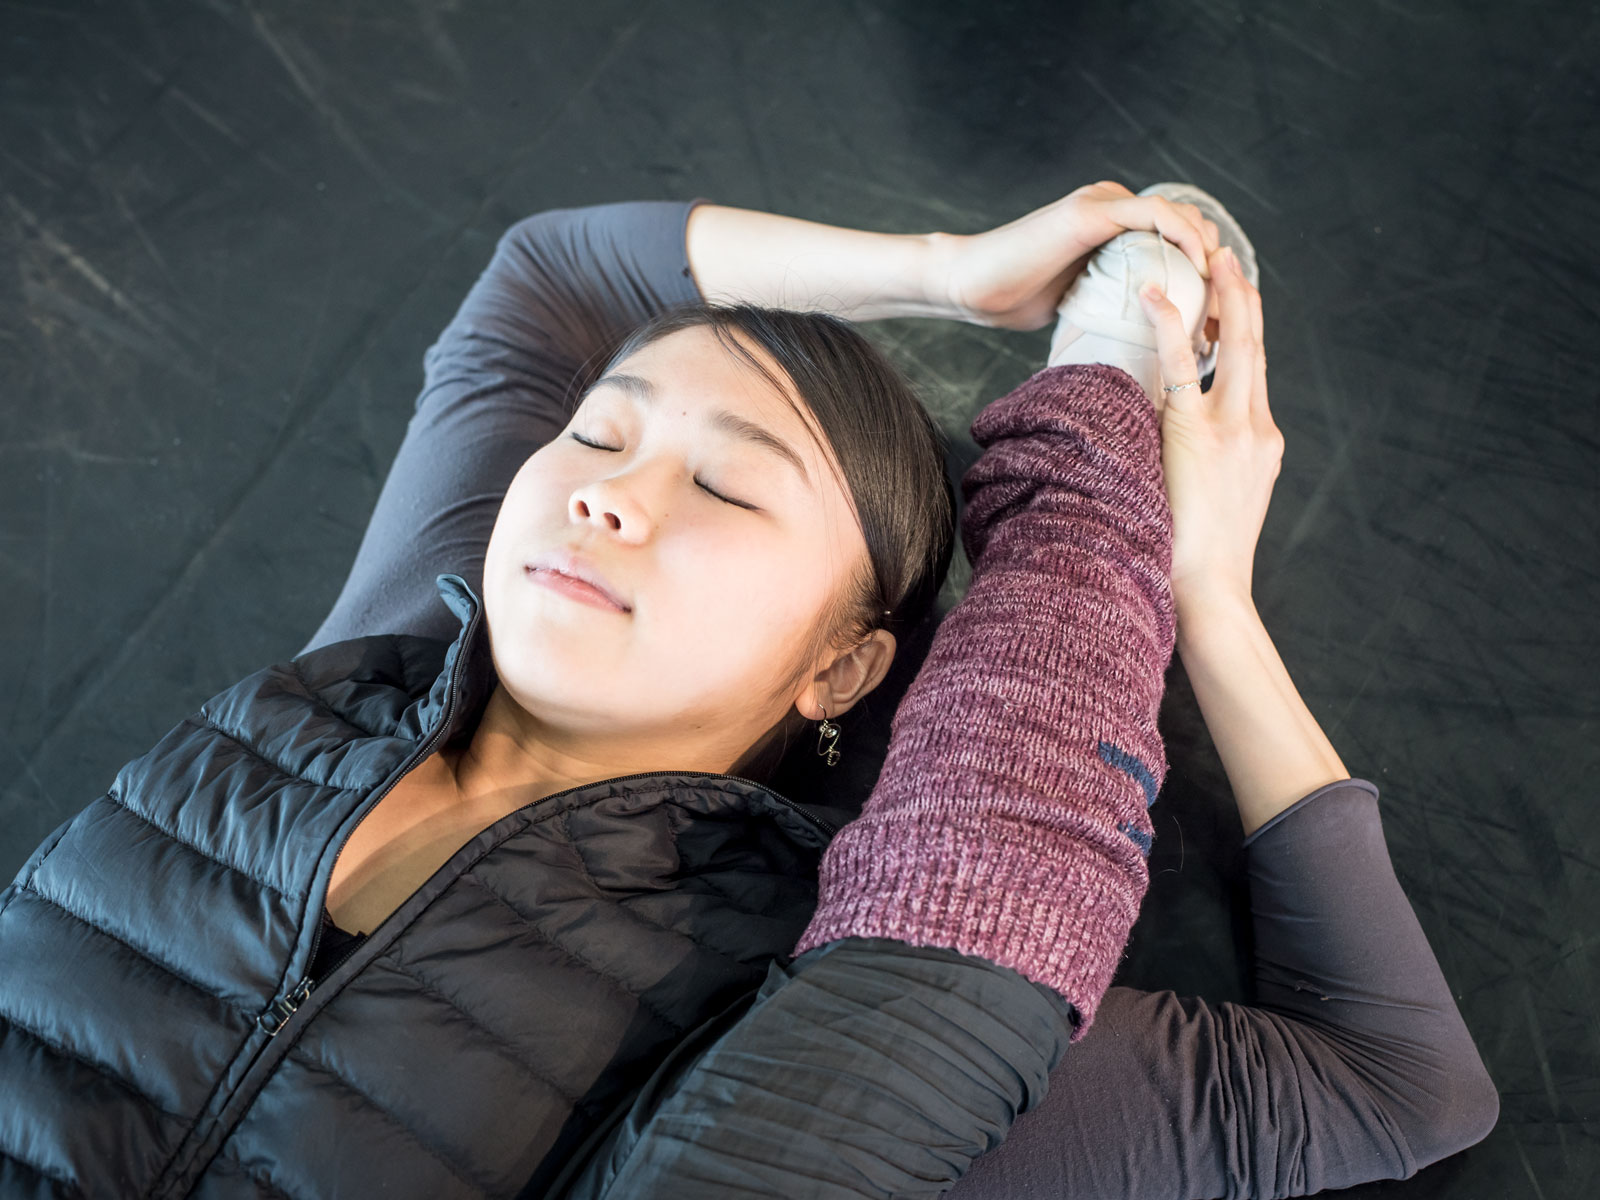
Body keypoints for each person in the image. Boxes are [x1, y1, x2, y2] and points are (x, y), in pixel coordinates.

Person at [0, 183, 1496, 1200]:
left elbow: (1398, 1081)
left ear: (843, 664)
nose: (604, 498)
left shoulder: (798, 979)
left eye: (724, 485)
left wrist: (1203, 604)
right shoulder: (381, 662)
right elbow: (554, 275)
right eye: (598, 437)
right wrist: (947, 270)